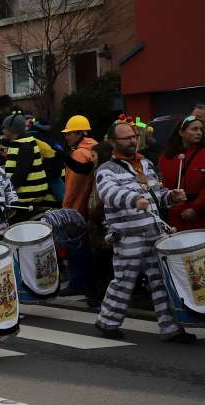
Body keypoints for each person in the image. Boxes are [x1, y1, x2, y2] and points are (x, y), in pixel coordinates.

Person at [94, 121, 195, 344]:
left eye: (133, 137)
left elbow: (156, 193)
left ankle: (171, 328)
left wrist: (170, 197)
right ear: (112, 142)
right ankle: (107, 321)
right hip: (127, 235)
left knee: (162, 281)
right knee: (124, 281)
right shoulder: (105, 170)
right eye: (126, 138)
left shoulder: (145, 164)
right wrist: (133, 199)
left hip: (154, 232)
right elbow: (108, 194)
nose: (132, 141)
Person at [158, 115, 204, 231]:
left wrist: (196, 209)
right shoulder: (166, 157)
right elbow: (163, 186)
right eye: (194, 129)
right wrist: (179, 207)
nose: (199, 133)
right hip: (176, 216)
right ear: (181, 132)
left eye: (201, 129)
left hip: (201, 216)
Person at [2, 112, 56, 210]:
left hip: (28, 199)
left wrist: (4, 189)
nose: (3, 130)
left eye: (4, 128)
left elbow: (21, 173)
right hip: (30, 196)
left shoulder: (25, 146)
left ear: (12, 130)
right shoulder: (23, 143)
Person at [61, 115, 100, 218]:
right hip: (90, 209)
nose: (66, 137)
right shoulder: (94, 149)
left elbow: (72, 188)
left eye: (69, 133)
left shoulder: (79, 154)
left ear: (79, 133)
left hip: (76, 211)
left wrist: (66, 210)